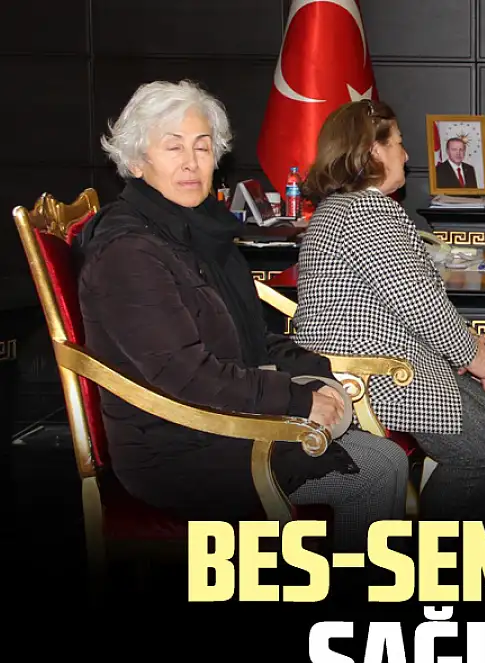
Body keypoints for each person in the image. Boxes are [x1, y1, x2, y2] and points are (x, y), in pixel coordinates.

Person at [73, 80, 409, 552]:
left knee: (386, 458)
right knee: (374, 471)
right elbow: (186, 375)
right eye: (173, 147)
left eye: (202, 146)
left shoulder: (201, 232)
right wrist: (297, 400)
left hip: (224, 417)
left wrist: (322, 377)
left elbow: (254, 337)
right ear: (135, 161)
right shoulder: (128, 252)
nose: (191, 162)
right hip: (178, 445)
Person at [292, 99, 485, 520]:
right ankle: (438, 551)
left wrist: (466, 347)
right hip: (371, 375)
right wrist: (474, 356)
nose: (407, 153)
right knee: (484, 448)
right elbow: (420, 305)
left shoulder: (346, 206)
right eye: (398, 142)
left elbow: (414, 298)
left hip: (389, 360)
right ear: (374, 150)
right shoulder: (366, 211)